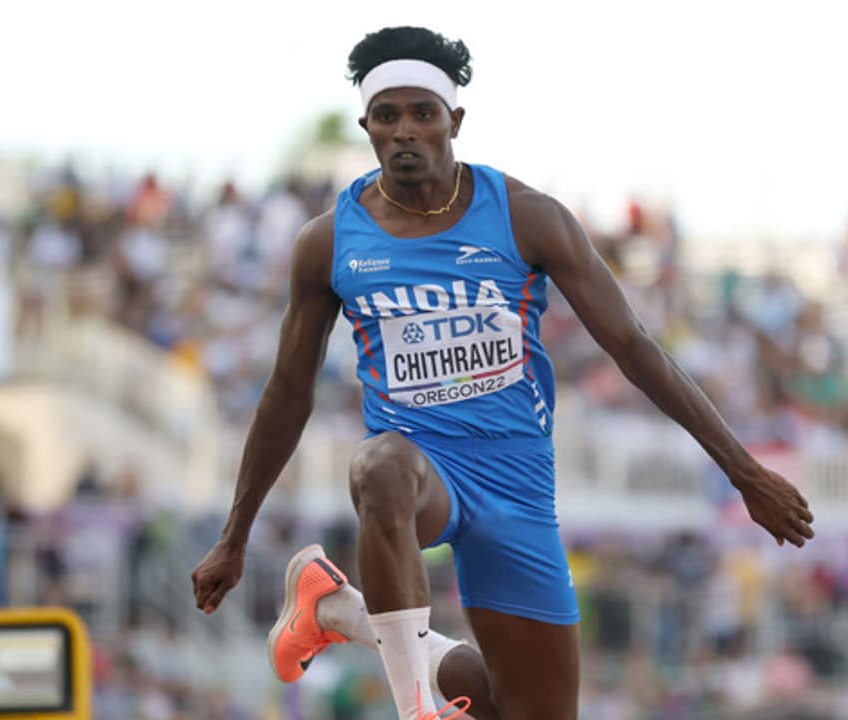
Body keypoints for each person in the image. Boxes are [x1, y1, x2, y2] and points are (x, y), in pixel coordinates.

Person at [191, 25, 815, 720]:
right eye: (387, 116)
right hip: (421, 469)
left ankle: (339, 610)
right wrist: (234, 536)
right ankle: (414, 709)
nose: (405, 131)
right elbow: (287, 392)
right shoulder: (331, 241)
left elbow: (634, 347)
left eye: (422, 113)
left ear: (454, 121)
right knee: (380, 466)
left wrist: (744, 472)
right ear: (367, 128)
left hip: (516, 483)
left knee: (523, 709)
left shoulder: (526, 218)